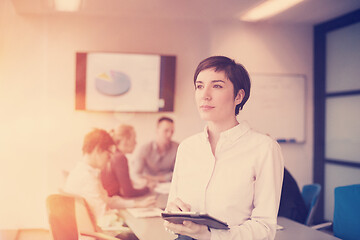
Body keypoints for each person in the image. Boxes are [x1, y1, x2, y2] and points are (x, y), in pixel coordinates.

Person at [164, 56, 284, 240]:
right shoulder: (187, 148)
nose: (205, 94)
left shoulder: (264, 149)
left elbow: (265, 228)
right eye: (199, 86)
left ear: (238, 96)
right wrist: (173, 216)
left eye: (217, 86)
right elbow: (172, 208)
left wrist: (210, 235)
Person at [64, 128, 155, 231]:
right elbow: (104, 217)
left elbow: (107, 201)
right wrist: (126, 217)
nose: (109, 160)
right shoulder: (87, 179)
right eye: (108, 155)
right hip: (97, 234)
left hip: (91, 231)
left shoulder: (82, 172)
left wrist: (137, 204)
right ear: (98, 150)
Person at [101, 124, 154, 198]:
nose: (136, 142)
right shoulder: (120, 158)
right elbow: (128, 193)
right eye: (134, 138)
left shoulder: (114, 155)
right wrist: (148, 188)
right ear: (125, 140)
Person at [133, 116, 179, 183]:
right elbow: (136, 174)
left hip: (170, 187)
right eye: (166, 131)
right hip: (149, 186)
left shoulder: (177, 148)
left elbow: (179, 173)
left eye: (172, 131)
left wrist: (155, 178)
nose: (169, 134)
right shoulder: (144, 149)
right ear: (157, 130)